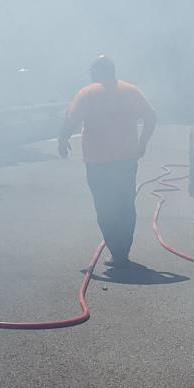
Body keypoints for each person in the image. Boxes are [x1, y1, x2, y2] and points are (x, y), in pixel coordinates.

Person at [59, 55, 157, 266]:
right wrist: (142, 143)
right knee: (125, 204)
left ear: (95, 72)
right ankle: (123, 251)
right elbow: (151, 117)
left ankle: (116, 251)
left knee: (104, 206)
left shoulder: (87, 93)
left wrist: (62, 139)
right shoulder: (131, 91)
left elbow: (70, 120)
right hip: (126, 159)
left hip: (97, 161)